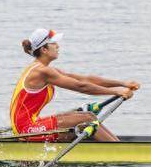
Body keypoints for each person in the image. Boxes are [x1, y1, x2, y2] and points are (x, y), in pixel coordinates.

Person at [10, 28, 139, 142]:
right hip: (26, 130)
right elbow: (81, 87)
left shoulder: (45, 69)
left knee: (89, 116)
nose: (58, 46)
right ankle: (119, 152)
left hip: (33, 124)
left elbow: (85, 79)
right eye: (54, 43)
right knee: (88, 119)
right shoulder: (42, 71)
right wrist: (117, 92)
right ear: (44, 49)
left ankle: (117, 146)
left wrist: (123, 83)